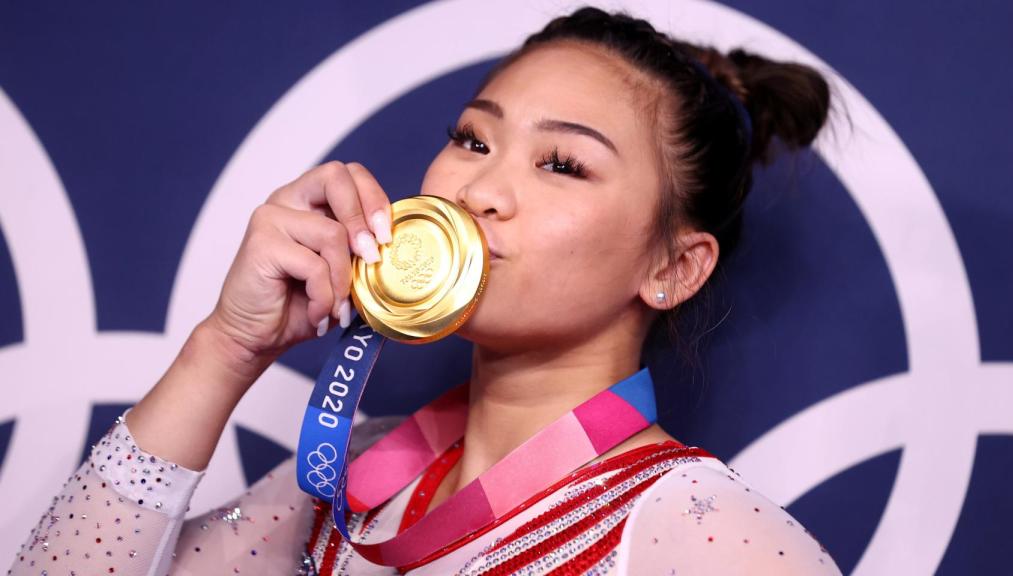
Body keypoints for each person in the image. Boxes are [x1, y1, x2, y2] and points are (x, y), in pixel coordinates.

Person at [9, 7, 841, 575]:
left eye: (562, 164)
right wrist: (225, 348)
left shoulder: (700, 536)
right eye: (473, 139)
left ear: (672, 268)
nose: (478, 190)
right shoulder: (356, 478)